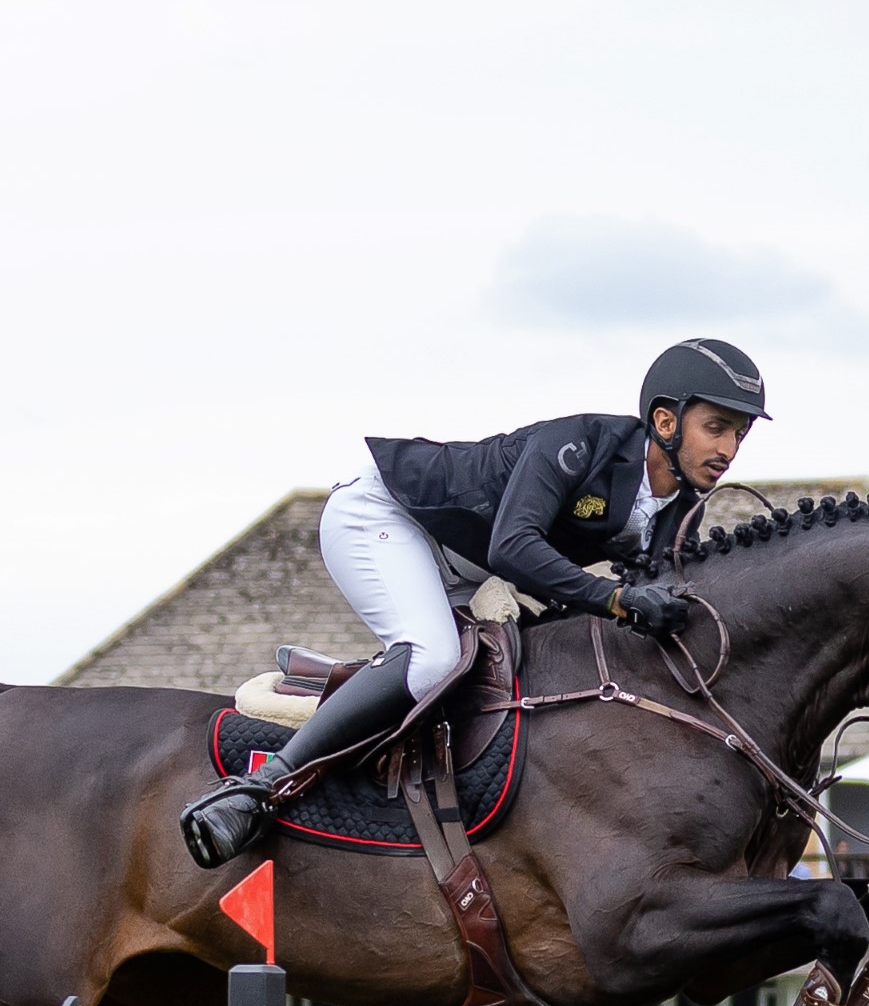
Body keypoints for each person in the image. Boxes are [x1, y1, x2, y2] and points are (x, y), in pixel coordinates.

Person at [182, 336, 769, 866]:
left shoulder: (676, 508)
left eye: (739, 434)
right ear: (665, 420)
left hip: (462, 566)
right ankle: (258, 791)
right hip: (383, 516)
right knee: (432, 658)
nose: (729, 447)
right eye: (716, 427)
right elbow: (514, 547)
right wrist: (616, 599)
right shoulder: (578, 445)